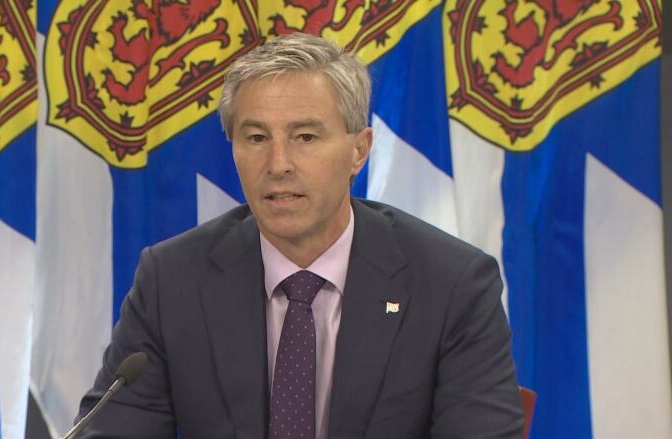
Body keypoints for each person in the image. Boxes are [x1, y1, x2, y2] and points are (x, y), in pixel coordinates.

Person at [76, 33, 524, 438]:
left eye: (305, 137)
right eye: (255, 138)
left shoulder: (451, 284)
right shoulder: (172, 280)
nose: (278, 164)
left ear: (359, 150)